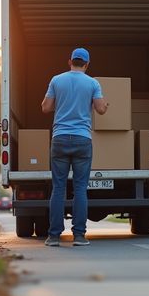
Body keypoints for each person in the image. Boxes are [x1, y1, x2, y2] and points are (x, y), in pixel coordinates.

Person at [41, 48, 108, 247]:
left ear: (69, 62)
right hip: (82, 140)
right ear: (87, 64)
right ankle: (79, 235)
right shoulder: (92, 83)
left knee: (58, 188)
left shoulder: (56, 80)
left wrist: (61, 103)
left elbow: (45, 107)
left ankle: (54, 236)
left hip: (60, 138)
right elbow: (101, 109)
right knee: (80, 189)